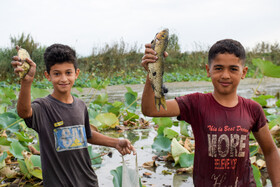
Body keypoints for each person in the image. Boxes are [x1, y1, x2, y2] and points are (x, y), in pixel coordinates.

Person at [141, 39, 280, 187]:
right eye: (219, 68)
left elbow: (270, 151)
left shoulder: (253, 109)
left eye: (233, 69)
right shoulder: (196, 103)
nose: (225, 75)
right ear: (208, 70)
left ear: (243, 72)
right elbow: (150, 109)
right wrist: (153, 71)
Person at [11, 44, 136, 187]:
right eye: (57, 74)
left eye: (68, 73)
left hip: (88, 182)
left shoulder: (80, 105)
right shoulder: (43, 107)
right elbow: (24, 112)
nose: (63, 79)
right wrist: (26, 82)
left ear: (76, 73)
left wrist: (116, 142)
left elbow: (86, 135)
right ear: (48, 76)